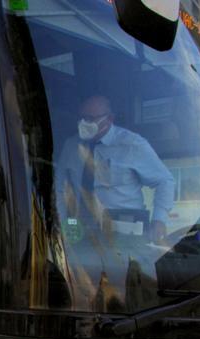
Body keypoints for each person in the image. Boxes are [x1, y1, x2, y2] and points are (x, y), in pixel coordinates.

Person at [57, 95, 176, 243]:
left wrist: (159, 220)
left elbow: (164, 181)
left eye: (90, 118)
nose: (84, 123)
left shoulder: (132, 144)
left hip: (124, 233)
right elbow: (59, 188)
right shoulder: (71, 146)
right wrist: (59, 223)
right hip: (80, 231)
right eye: (82, 118)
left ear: (109, 119)